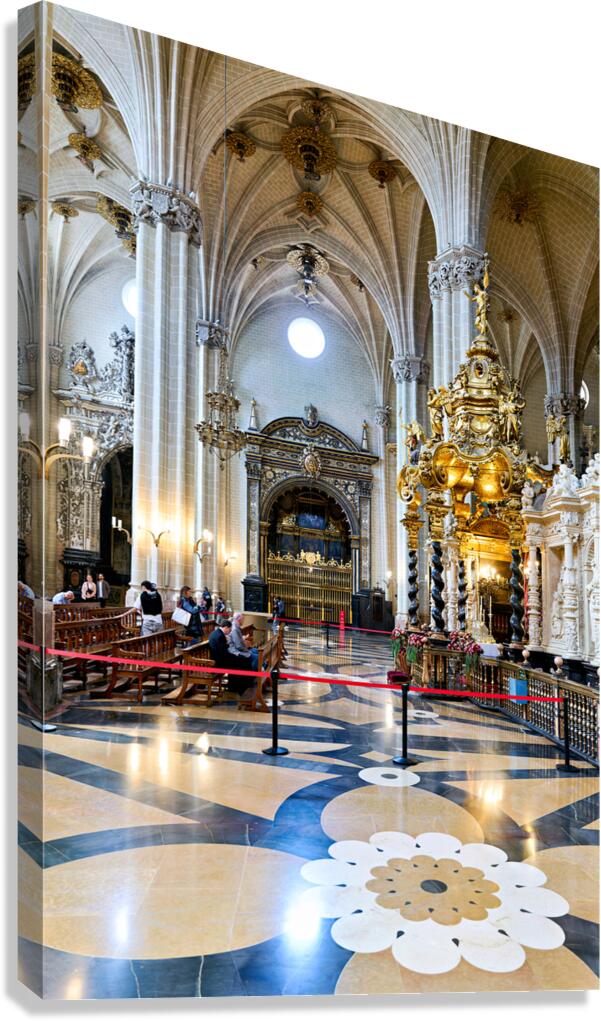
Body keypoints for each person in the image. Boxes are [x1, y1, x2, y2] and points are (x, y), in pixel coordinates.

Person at [208, 619, 256, 698]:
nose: (230, 632)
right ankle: (238, 687)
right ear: (226, 627)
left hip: (220, 658)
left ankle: (239, 685)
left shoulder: (217, 633)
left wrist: (234, 655)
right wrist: (234, 656)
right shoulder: (220, 635)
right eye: (230, 629)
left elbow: (223, 650)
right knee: (242, 662)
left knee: (243, 660)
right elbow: (223, 653)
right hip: (219, 662)